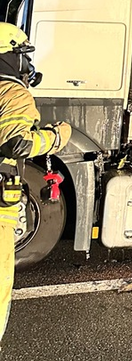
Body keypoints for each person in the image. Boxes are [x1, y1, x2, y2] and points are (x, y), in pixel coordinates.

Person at [0, 23, 71, 342]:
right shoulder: (12, 92)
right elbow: (17, 144)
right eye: (22, 55)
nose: (27, 64)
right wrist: (58, 136)